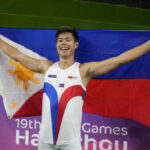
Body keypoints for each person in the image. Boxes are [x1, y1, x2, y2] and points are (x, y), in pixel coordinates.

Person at [0, 27, 150, 150]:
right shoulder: (46, 67)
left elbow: (120, 60)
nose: (63, 43)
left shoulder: (83, 71)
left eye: (67, 40)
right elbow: (18, 56)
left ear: (75, 45)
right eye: (60, 40)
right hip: (44, 143)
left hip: (71, 144)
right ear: (56, 45)